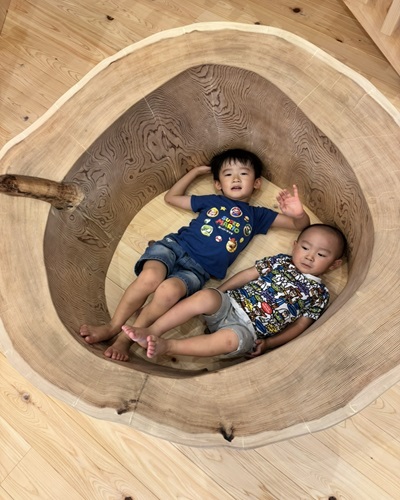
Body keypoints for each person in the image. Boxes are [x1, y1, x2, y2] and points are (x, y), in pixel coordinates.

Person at [80, 148, 310, 360]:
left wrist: (298, 213)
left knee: (168, 292)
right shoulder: (212, 201)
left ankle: (124, 341)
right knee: (150, 278)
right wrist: (195, 173)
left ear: (257, 182)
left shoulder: (257, 216)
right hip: (174, 247)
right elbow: (171, 197)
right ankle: (112, 326)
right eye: (228, 174)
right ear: (218, 184)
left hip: (198, 270)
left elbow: (300, 225)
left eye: (243, 173)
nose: (236, 179)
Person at [122, 224, 346, 360]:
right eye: (305, 248)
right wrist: (219, 292)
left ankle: (169, 346)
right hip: (230, 303)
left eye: (321, 255)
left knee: (229, 341)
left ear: (334, 264)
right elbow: (246, 275)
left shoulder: (319, 293)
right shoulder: (281, 262)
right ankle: (152, 330)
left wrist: (269, 344)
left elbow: (300, 326)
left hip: (247, 330)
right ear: (295, 246)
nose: (309, 256)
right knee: (206, 296)